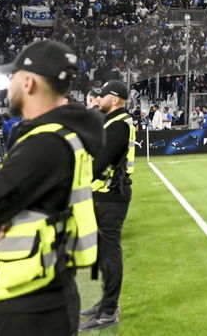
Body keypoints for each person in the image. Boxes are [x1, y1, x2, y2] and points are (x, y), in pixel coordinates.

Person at [0, 39, 103, 336]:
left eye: (13, 78)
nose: (8, 87)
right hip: (50, 290)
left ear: (30, 82)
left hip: (29, 306)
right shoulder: (66, 135)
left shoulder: (44, 144)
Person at [81, 79, 135, 331]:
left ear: (114, 99)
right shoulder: (114, 122)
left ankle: (110, 309)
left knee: (110, 253)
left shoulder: (118, 125)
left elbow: (97, 164)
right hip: (106, 194)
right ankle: (106, 302)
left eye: (102, 96)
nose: (98, 100)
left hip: (110, 196)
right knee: (105, 253)